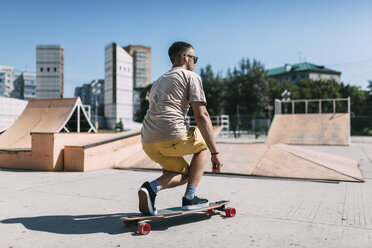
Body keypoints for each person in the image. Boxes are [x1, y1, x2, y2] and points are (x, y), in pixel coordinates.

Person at [138, 41, 223, 215]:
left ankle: (150, 188)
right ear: (186, 57)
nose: (194, 62)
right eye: (194, 58)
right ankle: (190, 198)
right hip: (171, 136)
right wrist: (215, 153)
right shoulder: (191, 76)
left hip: (147, 141)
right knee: (204, 144)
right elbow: (202, 115)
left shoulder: (159, 80)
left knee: (183, 174)